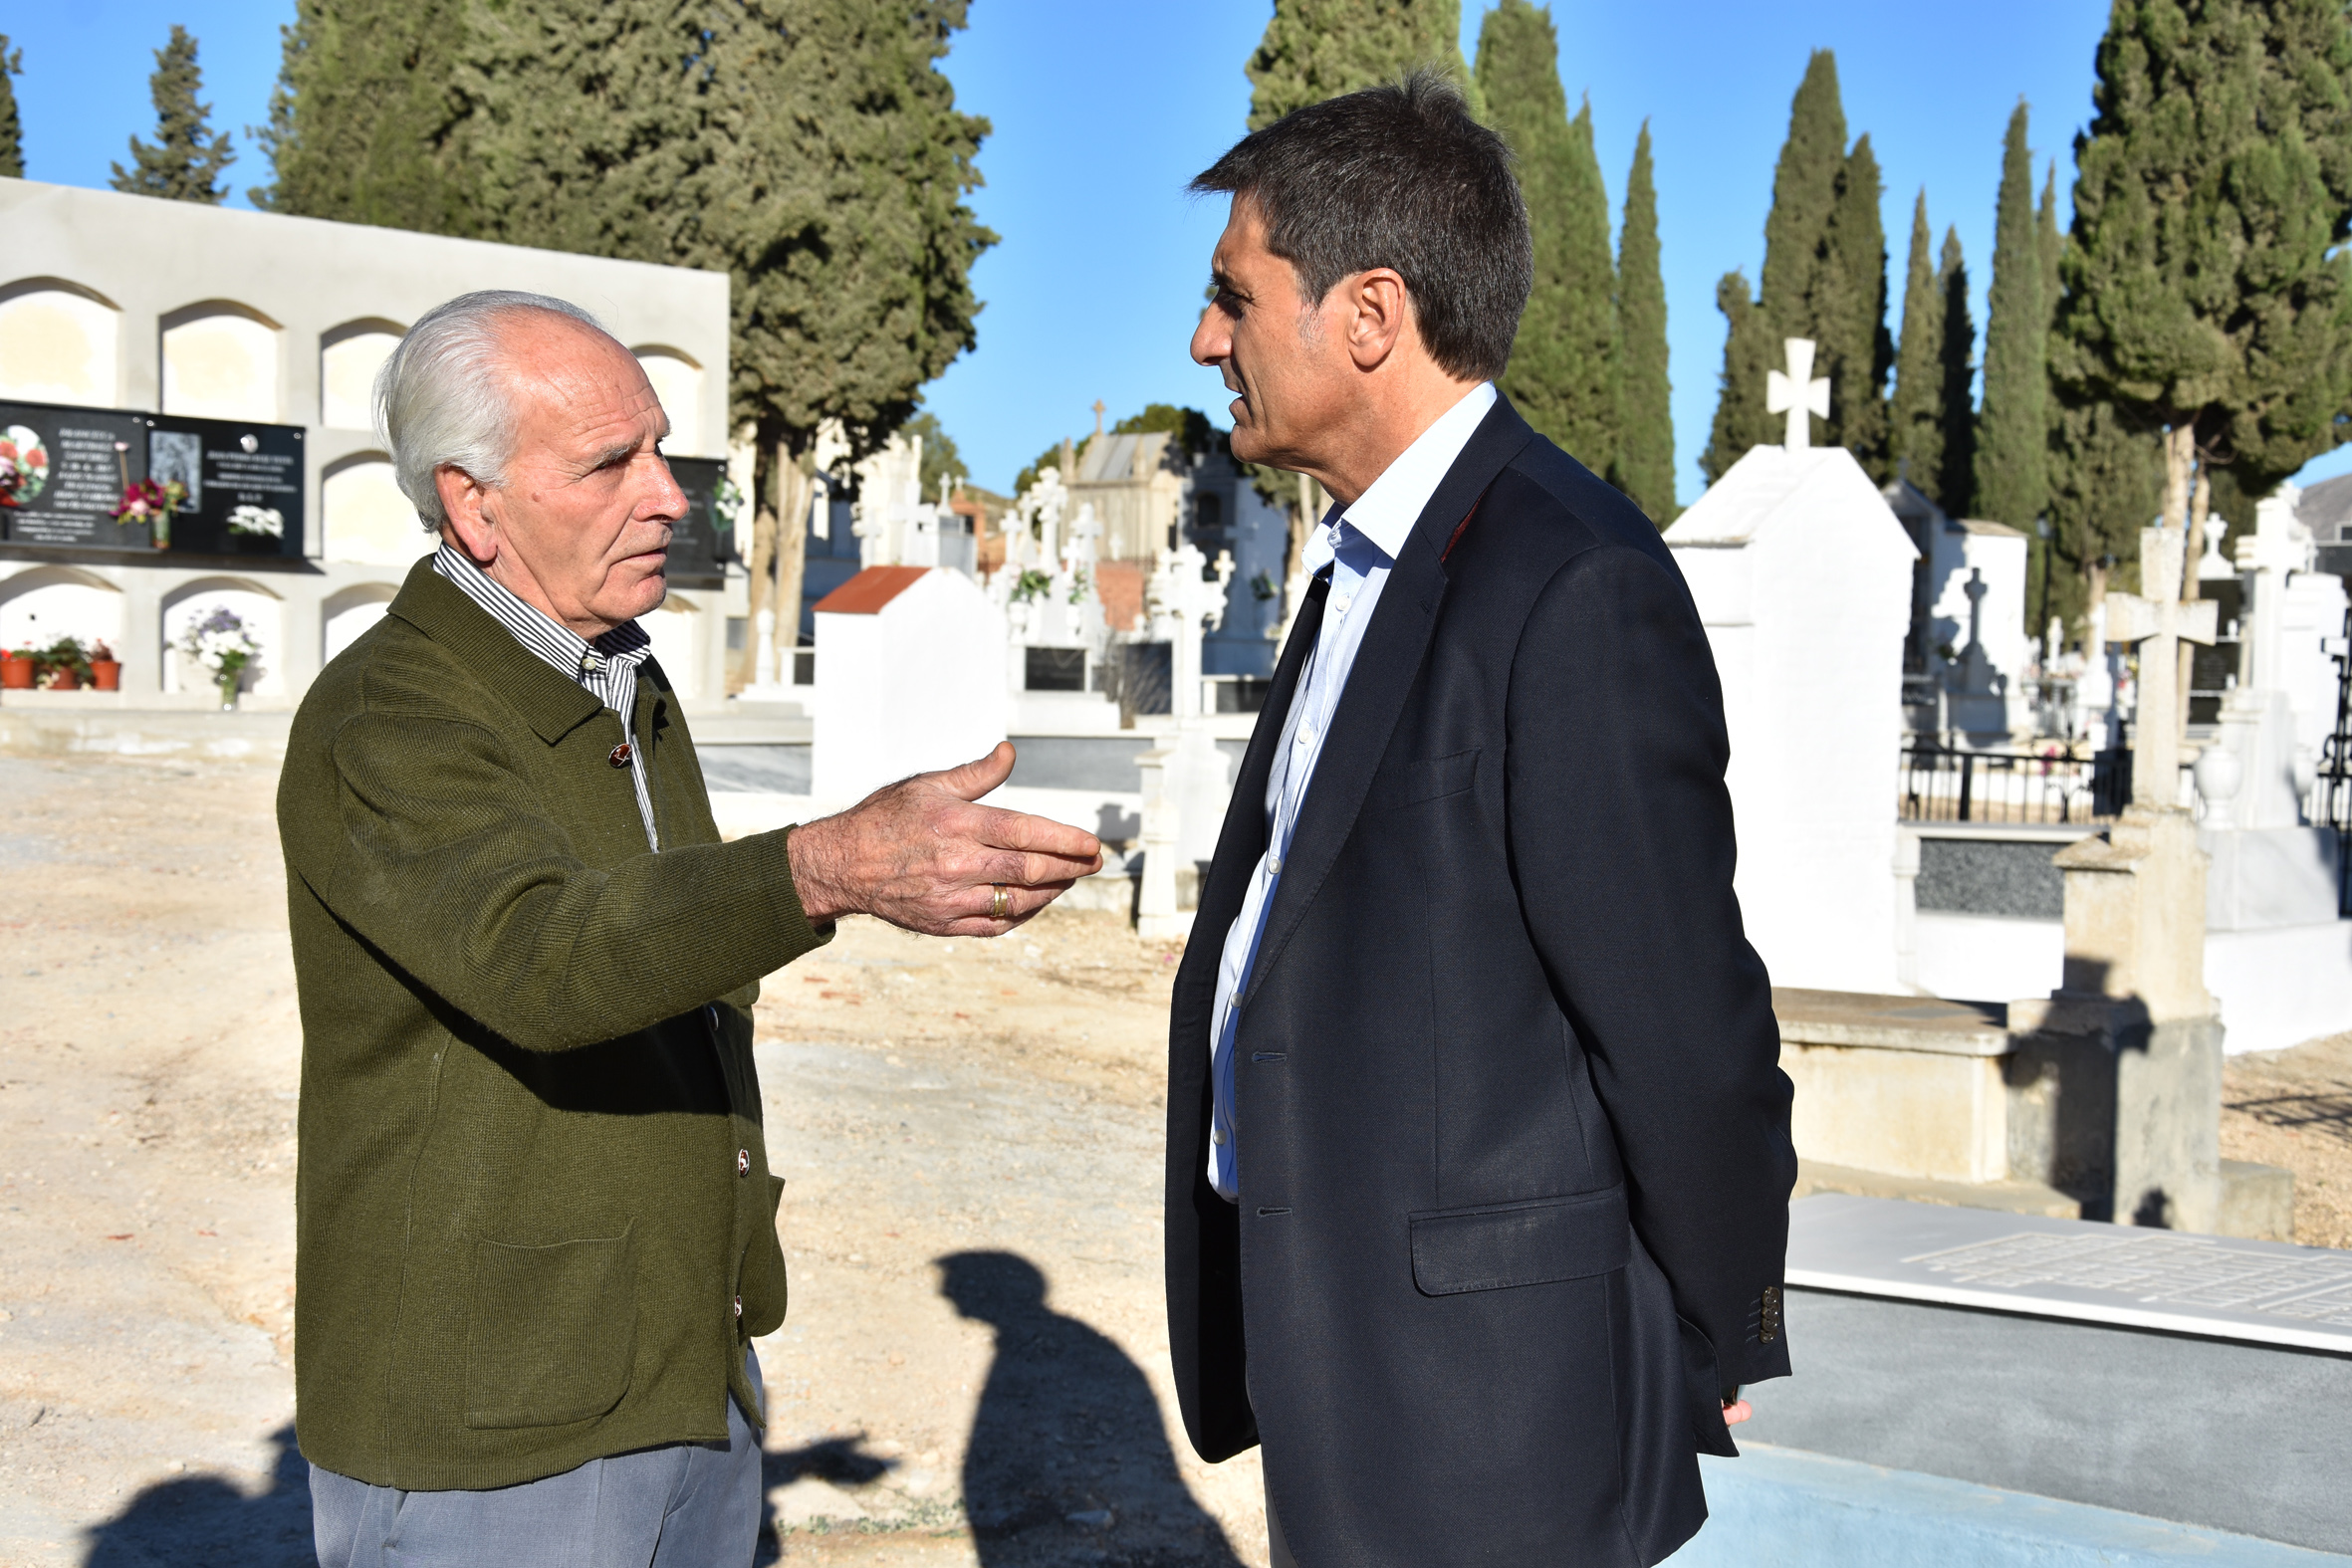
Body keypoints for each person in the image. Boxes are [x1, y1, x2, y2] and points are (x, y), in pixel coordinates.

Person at [280, 290, 1101, 1567]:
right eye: (610, 463)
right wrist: (826, 866)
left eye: (660, 450)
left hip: (676, 1366)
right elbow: (545, 960)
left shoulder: (616, 674)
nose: (668, 496)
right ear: (473, 505)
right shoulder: (391, 715)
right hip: (500, 1412)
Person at [1162, 76, 1795, 1567]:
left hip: (1494, 1409)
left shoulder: (1570, 580)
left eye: (1233, 297)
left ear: (1368, 314)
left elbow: (1679, 1020)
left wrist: (1715, 1323)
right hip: (1347, 1355)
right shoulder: (1365, 563)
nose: (1204, 342)